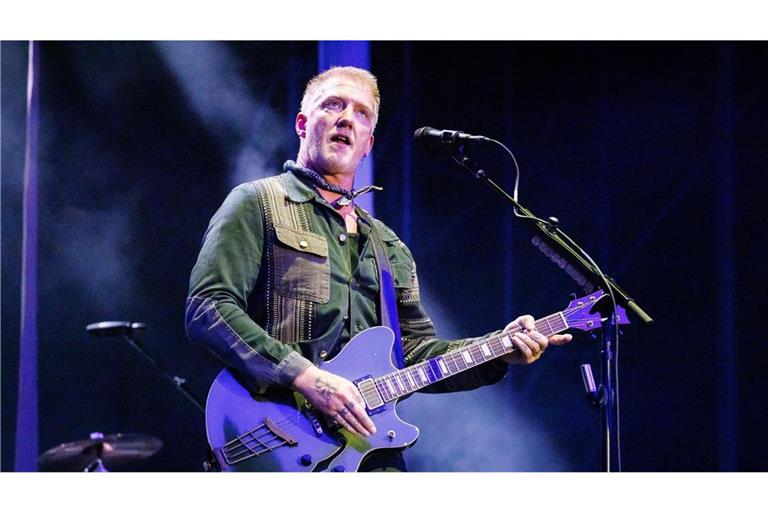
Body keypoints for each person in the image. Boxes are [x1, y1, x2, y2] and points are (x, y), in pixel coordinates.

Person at [185, 66, 572, 471]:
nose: (346, 118)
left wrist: (498, 350)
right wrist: (306, 377)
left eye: (361, 113)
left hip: (370, 455)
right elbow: (208, 309)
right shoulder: (256, 204)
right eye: (333, 105)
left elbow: (417, 354)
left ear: (368, 143)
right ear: (302, 123)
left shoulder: (389, 246)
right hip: (278, 437)